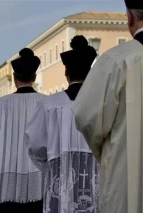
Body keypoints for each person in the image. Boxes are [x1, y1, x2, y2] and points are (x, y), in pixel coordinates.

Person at [72, 1, 143, 213]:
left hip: (128, 175)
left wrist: (103, 151)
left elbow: (86, 117)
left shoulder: (116, 60)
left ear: (130, 17)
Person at [25, 36, 99, 213]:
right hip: (99, 181)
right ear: (90, 72)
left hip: (62, 180)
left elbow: (35, 144)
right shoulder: (104, 102)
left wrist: (52, 159)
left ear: (66, 73)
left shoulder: (50, 104)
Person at [0, 48, 46, 213]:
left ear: (14, 78)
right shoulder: (47, 102)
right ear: (35, 77)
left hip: (7, 174)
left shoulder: (2, 104)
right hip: (40, 177)